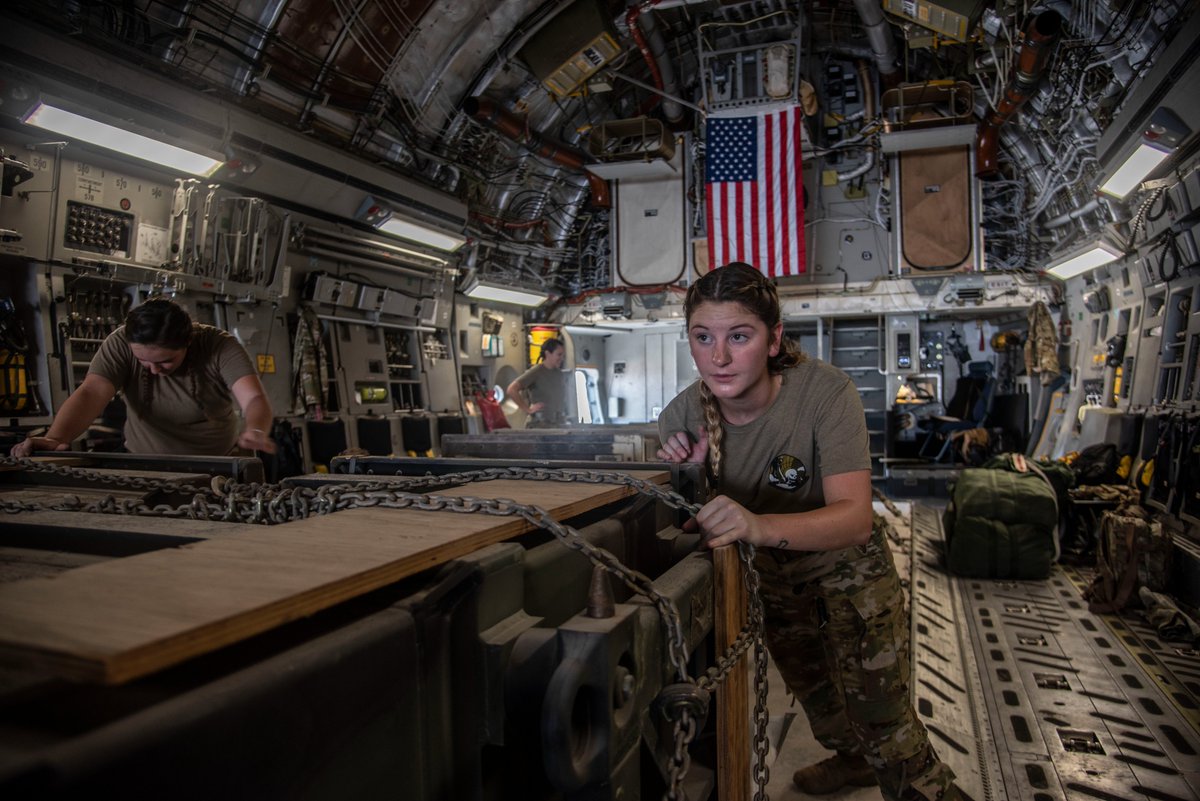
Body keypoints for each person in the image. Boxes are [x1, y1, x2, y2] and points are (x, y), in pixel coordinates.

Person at [655, 263, 960, 801]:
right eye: (703, 338)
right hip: (772, 583)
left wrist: (758, 523)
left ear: (773, 340)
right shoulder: (682, 417)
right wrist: (693, 477)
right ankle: (851, 762)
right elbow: (695, 526)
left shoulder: (823, 393)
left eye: (739, 337)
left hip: (850, 574)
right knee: (819, 699)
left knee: (884, 724)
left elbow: (854, 516)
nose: (719, 357)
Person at [12, 298, 276, 457]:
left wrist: (255, 430)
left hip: (220, 459)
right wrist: (57, 438)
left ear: (188, 342)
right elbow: (91, 394)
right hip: (146, 459)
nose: (153, 370)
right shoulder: (119, 343)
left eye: (165, 361)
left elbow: (252, 397)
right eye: (143, 361)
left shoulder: (219, 346)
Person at [506, 337, 574, 425]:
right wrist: (528, 409)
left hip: (557, 423)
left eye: (563, 355)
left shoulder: (559, 374)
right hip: (540, 424)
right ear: (547, 354)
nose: (562, 358)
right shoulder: (536, 371)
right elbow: (511, 389)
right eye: (559, 355)